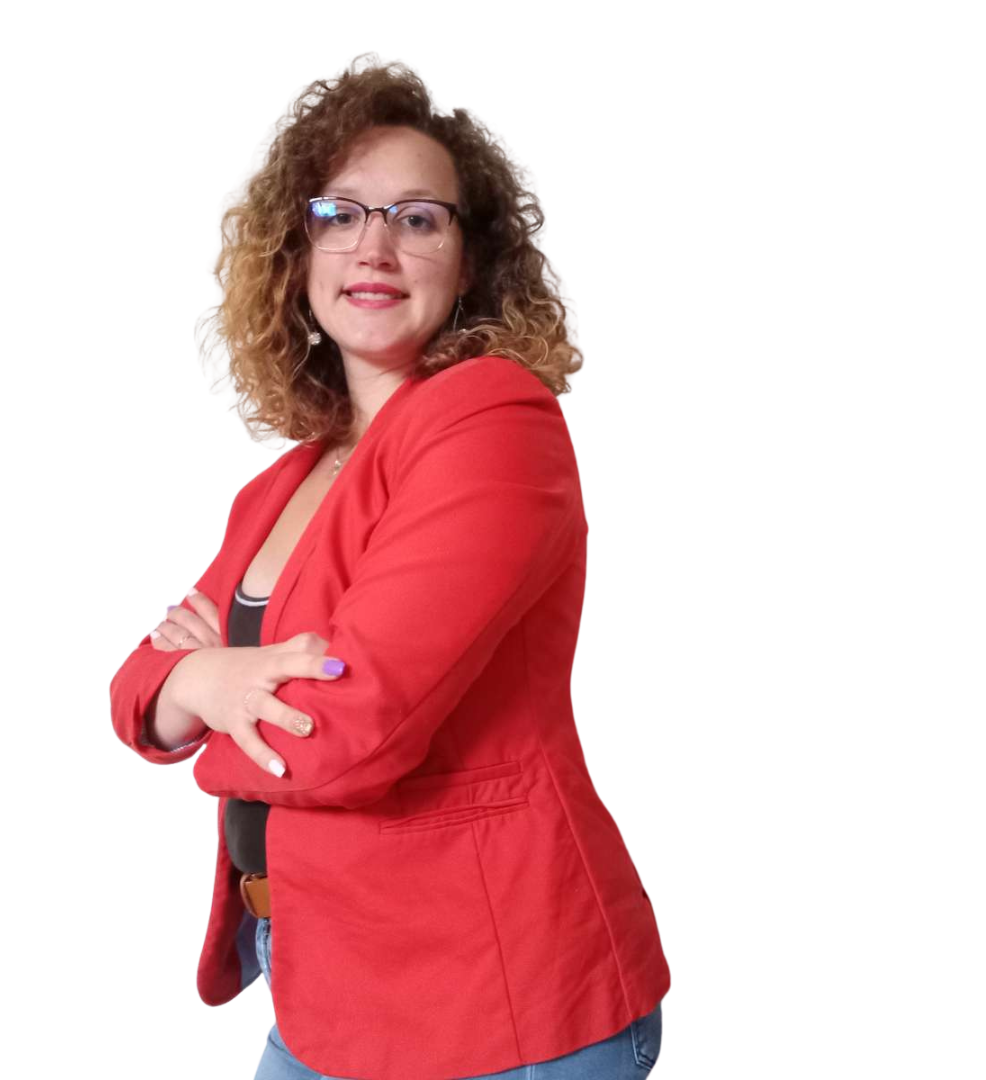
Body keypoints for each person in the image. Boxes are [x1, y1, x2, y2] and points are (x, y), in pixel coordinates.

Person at [109, 63, 670, 1080]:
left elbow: (348, 733)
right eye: (340, 214)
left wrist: (202, 703)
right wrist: (194, 680)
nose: (374, 246)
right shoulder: (280, 484)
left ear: (469, 262)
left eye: (418, 218)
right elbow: (133, 687)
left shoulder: (493, 422)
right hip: (320, 973)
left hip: (490, 993)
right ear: (299, 255)